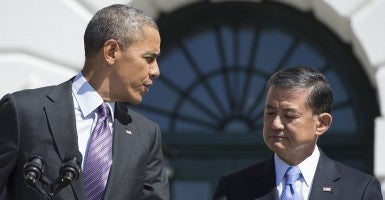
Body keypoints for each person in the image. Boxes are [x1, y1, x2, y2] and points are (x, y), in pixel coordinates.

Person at [0, 4, 169, 200]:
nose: (155, 70)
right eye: (149, 58)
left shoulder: (146, 135)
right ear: (112, 51)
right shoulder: (24, 112)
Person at [212, 66, 382, 200]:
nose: (276, 124)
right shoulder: (233, 188)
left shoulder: (359, 190)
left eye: (289, 115)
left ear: (321, 123)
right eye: (270, 113)